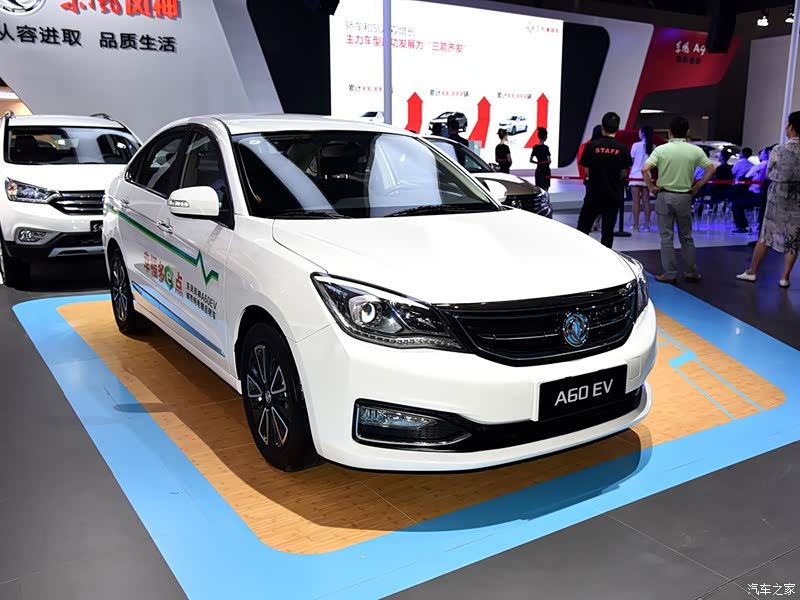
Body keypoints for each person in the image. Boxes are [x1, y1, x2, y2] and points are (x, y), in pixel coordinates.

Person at [642, 115, 715, 283]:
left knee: (666, 237)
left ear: (670, 132)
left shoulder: (661, 150)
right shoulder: (695, 150)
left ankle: (669, 273)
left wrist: (651, 187)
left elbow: (645, 169)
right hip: (684, 196)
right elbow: (710, 169)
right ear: (687, 131)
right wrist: (697, 186)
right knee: (686, 237)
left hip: (664, 195)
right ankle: (691, 271)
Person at [736, 112, 800, 288]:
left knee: (766, 235)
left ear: (792, 127)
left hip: (778, 197)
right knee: (793, 239)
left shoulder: (779, 149)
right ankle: (785, 277)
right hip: (797, 199)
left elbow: (770, 173)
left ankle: (752, 271)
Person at [576, 112, 632, 249]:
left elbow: (587, 171)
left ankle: (579, 256)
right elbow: (624, 172)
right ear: (617, 128)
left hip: (593, 194)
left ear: (602, 128)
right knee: (607, 233)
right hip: (613, 196)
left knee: (582, 230)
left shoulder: (591, 146)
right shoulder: (622, 148)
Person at [732, 147, 769, 233]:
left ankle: (742, 226)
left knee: (736, 203)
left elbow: (747, 177)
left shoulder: (760, 166)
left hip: (757, 195)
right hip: (766, 195)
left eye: (762, 153)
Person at [630, 125, 654, 231]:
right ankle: (647, 225)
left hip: (635, 175)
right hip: (647, 176)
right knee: (646, 201)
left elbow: (632, 160)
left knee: (636, 201)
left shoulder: (635, 145)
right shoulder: (653, 146)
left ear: (642, 133)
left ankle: (636, 225)